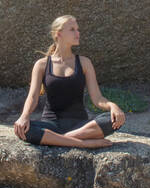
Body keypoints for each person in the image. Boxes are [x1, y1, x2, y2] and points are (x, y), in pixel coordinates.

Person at [14, 14, 126, 146]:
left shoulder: (84, 63)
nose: (77, 33)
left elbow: (98, 99)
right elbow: (32, 97)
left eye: (78, 29)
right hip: (51, 124)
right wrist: (24, 116)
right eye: (72, 29)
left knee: (113, 120)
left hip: (80, 125)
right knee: (23, 130)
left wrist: (113, 106)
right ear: (58, 34)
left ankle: (59, 140)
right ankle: (82, 143)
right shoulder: (41, 65)